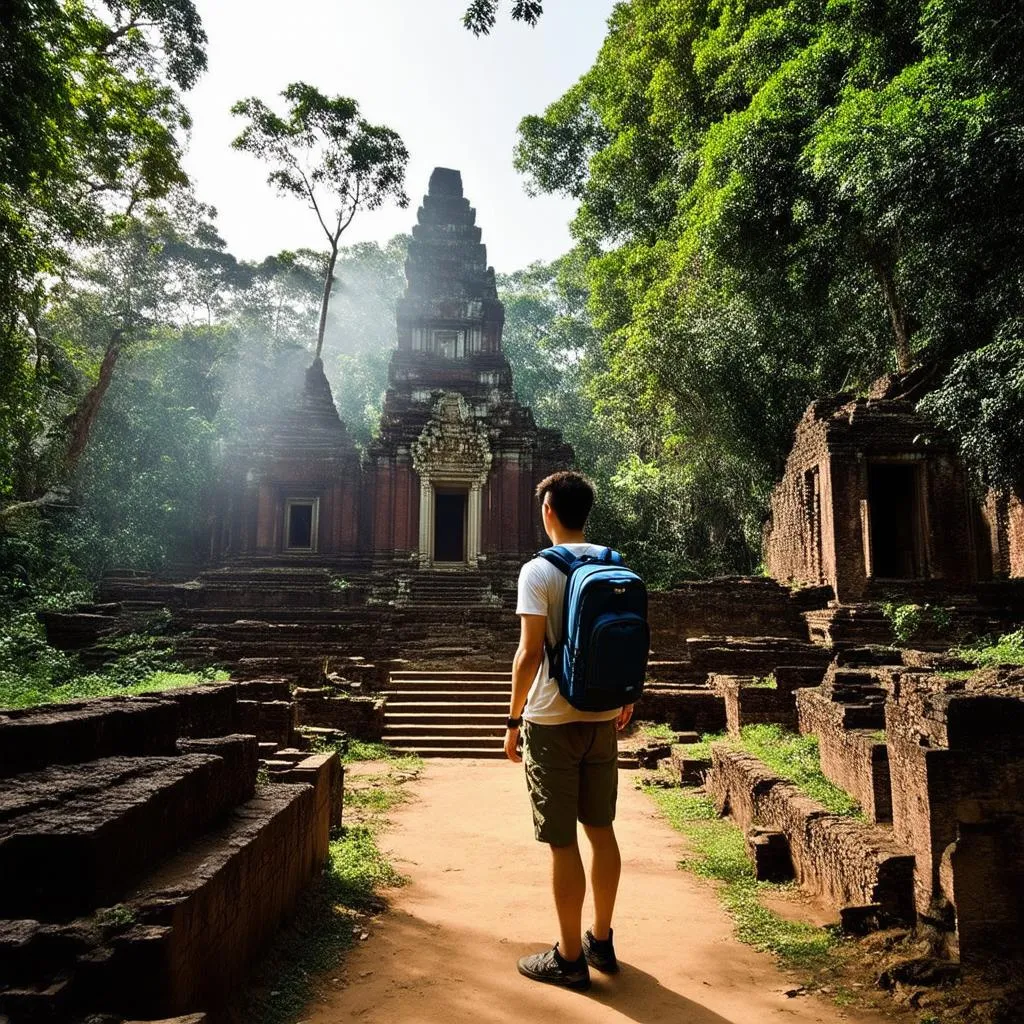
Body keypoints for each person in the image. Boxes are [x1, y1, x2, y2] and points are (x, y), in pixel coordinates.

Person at [504, 470, 634, 991]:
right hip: (603, 715)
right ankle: (601, 939)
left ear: (548, 510)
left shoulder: (538, 571)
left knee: (562, 842)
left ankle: (569, 956)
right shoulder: (613, 562)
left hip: (552, 719)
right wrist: (625, 696)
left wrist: (513, 720)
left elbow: (530, 653)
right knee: (601, 831)